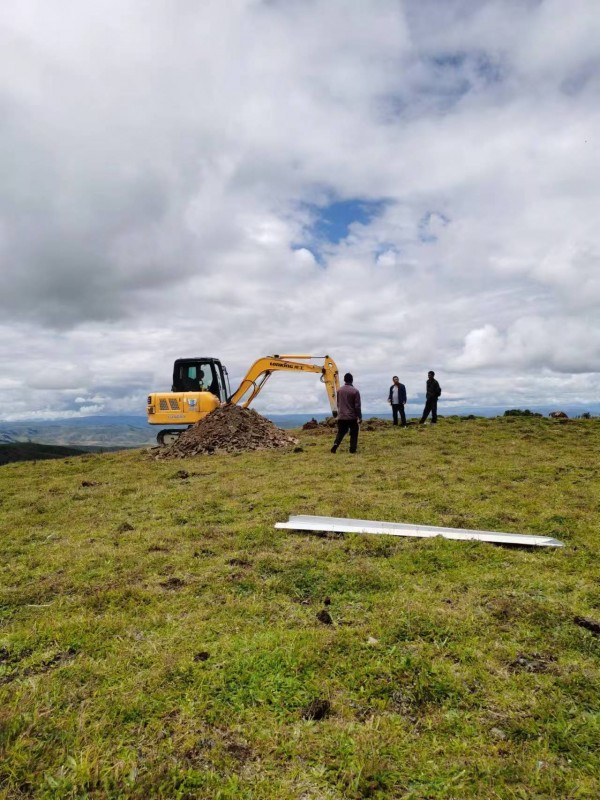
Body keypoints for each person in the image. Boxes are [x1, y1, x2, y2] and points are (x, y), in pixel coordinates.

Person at [331, 373, 362, 453]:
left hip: (341, 416)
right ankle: (352, 449)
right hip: (351, 416)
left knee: (341, 432)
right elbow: (357, 406)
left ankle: (336, 444)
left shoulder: (339, 390)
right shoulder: (355, 391)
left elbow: (338, 403)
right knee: (354, 432)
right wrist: (360, 417)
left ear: (344, 380)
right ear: (352, 380)